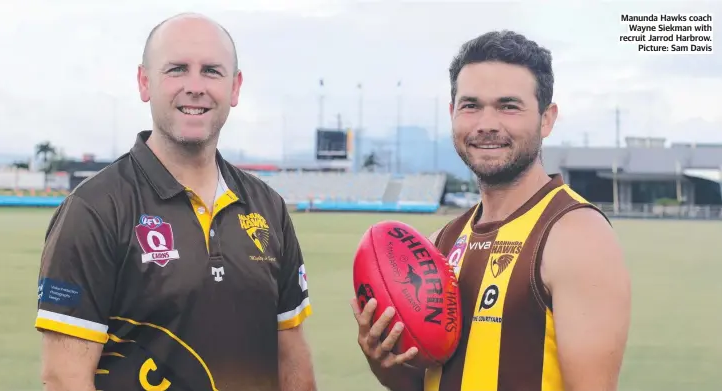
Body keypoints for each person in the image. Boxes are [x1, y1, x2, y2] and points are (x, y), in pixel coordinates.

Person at [35, 13, 317, 391]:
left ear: (235, 88)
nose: (195, 86)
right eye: (177, 69)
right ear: (144, 82)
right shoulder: (94, 210)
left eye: (212, 71)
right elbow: (64, 378)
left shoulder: (268, 208)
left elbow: (291, 356)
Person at [352, 30, 631, 391]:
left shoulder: (576, 235)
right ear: (453, 114)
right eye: (471, 105)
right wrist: (385, 361)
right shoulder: (442, 241)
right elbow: (423, 383)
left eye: (508, 106)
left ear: (547, 119)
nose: (486, 124)